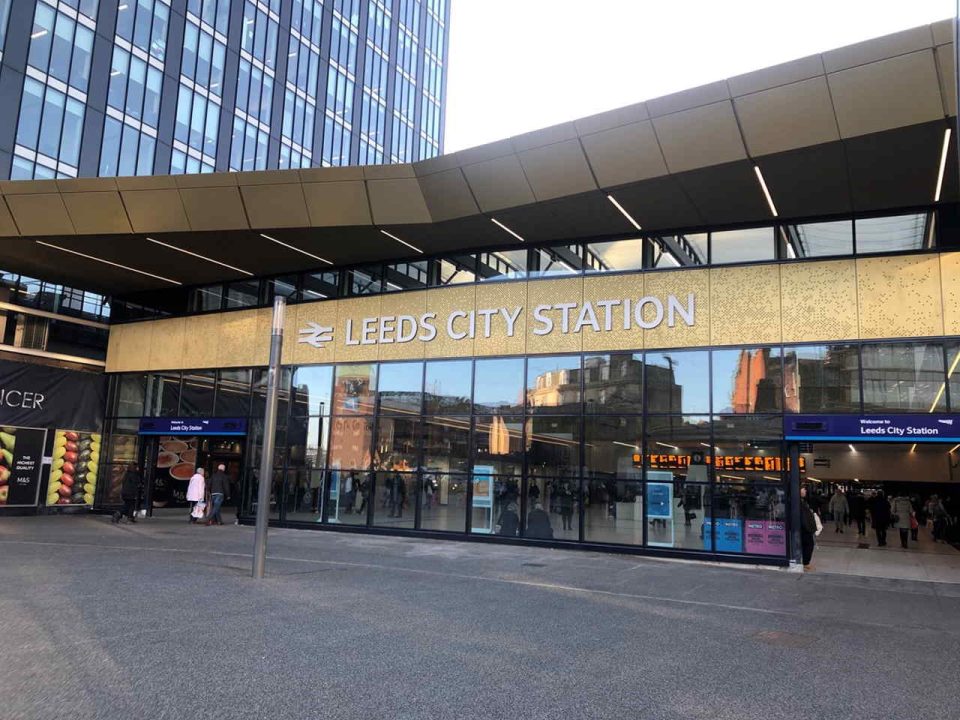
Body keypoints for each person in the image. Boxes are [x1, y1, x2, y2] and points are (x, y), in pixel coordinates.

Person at [799, 486, 817, 570]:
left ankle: (804, 562)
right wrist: (809, 528)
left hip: (805, 528)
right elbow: (803, 518)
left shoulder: (803, 501)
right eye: (803, 489)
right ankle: (805, 563)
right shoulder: (799, 502)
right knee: (809, 544)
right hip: (804, 529)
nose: (805, 490)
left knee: (806, 545)